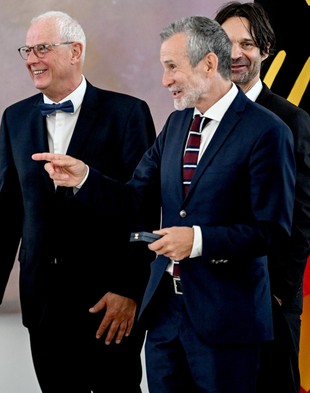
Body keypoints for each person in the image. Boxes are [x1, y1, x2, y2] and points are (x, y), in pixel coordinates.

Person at [33, 15, 296, 393]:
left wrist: (198, 241)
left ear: (208, 62)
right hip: (165, 322)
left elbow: (272, 231)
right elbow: (136, 196)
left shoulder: (268, 131)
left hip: (227, 325)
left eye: (172, 67)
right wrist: (86, 178)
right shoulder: (176, 126)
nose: (165, 79)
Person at [0, 10, 159, 393]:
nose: (31, 58)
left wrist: (129, 289)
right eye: (27, 49)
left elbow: (145, 209)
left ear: (75, 51)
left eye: (42, 48)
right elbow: (7, 214)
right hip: (43, 305)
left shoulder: (128, 114)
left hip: (109, 305)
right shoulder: (15, 118)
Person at [214, 3, 310, 392]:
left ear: (266, 50)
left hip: (269, 298)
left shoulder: (292, 120)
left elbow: (302, 213)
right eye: (226, 42)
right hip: (210, 298)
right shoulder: (194, 114)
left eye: (247, 43)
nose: (235, 53)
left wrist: (280, 292)